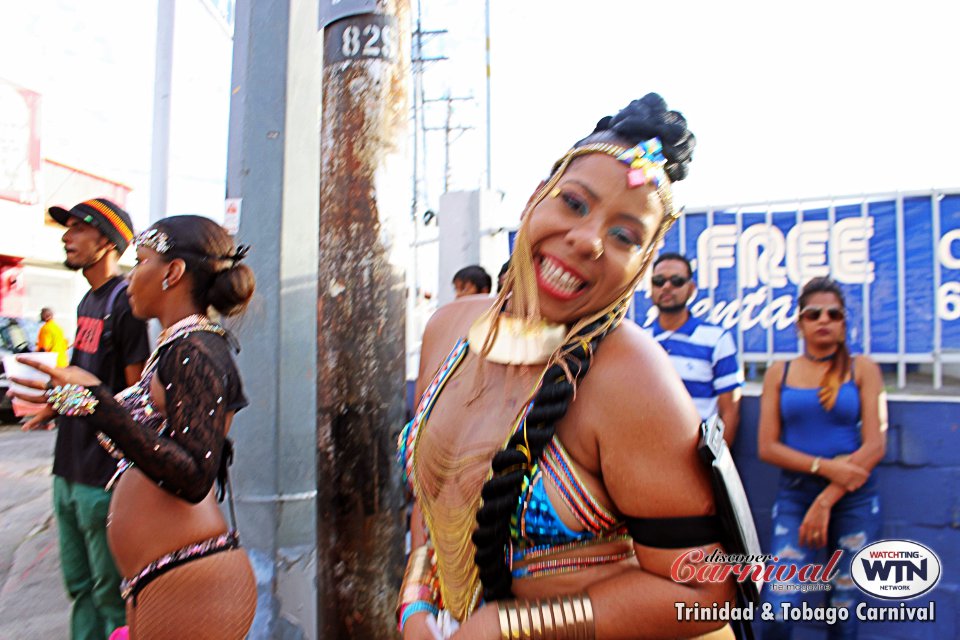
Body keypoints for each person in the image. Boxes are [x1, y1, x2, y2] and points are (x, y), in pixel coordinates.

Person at [397, 94, 740, 639]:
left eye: (624, 235)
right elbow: (433, 497)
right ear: (537, 198)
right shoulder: (448, 330)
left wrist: (515, 625)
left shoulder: (630, 375)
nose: (588, 240)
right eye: (575, 204)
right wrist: (416, 604)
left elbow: (709, 593)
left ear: (642, 264)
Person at [14, 215, 257, 639]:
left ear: (172, 273)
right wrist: (72, 401)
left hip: (189, 581)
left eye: (140, 261)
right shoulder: (179, 346)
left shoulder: (194, 351)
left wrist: (96, 404)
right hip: (163, 577)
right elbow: (142, 428)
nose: (129, 278)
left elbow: (195, 474)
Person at [25, 198, 151, 640]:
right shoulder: (86, 301)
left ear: (107, 241)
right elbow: (84, 374)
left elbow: (135, 400)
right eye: (69, 228)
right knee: (78, 587)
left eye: (78, 228)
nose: (66, 236)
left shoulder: (127, 304)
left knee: (109, 595)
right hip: (67, 468)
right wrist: (51, 405)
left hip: (101, 477)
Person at [757, 277, 887, 640]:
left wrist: (827, 497)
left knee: (844, 610)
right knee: (777, 609)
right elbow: (767, 447)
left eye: (834, 314)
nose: (824, 320)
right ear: (800, 323)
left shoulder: (863, 369)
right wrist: (826, 469)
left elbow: (876, 445)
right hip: (796, 496)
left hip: (852, 498)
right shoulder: (778, 372)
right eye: (814, 314)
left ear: (845, 323)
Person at [644, 253, 743, 445]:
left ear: (691, 289)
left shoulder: (717, 339)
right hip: (647, 452)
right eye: (659, 281)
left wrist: (714, 466)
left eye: (677, 281)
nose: (666, 286)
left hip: (697, 455)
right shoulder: (639, 342)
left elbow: (730, 411)